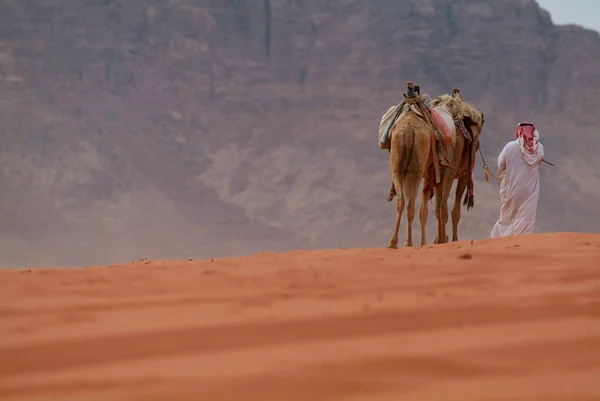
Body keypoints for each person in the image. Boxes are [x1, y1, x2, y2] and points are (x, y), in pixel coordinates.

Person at [486, 122, 545, 238]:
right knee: (526, 218)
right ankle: (519, 245)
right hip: (529, 191)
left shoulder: (510, 147)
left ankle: (500, 240)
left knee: (506, 217)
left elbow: (500, 164)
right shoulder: (539, 148)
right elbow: (539, 161)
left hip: (511, 190)